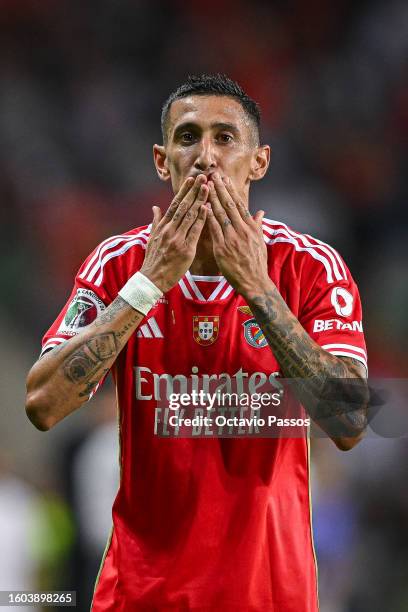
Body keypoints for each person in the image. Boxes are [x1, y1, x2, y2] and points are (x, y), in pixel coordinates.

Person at [26, 74, 368, 611]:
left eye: (225, 137)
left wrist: (257, 287)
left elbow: (348, 422)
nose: (206, 155)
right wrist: (148, 286)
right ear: (163, 161)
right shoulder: (119, 265)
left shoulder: (309, 267)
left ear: (259, 161)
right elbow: (43, 405)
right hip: (139, 596)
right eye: (188, 137)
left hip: (267, 595)